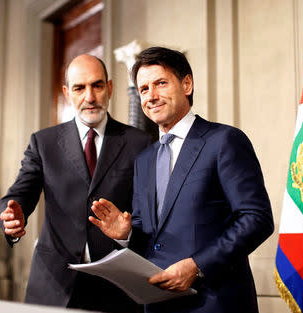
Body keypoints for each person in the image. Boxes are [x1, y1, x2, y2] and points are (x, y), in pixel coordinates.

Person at [90, 47, 274, 313]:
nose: (151, 96)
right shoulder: (144, 160)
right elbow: (152, 235)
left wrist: (196, 266)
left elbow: (256, 219)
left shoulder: (223, 141)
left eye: (160, 83)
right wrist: (127, 234)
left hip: (214, 303)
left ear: (186, 84)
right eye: (143, 89)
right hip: (158, 304)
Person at [0, 54, 151, 312]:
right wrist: (13, 215)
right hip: (53, 285)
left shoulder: (140, 143)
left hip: (117, 290)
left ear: (110, 88)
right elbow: (19, 194)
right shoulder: (43, 143)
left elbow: (149, 215)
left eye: (97, 85)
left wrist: (128, 234)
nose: (89, 97)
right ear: (67, 92)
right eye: (80, 88)